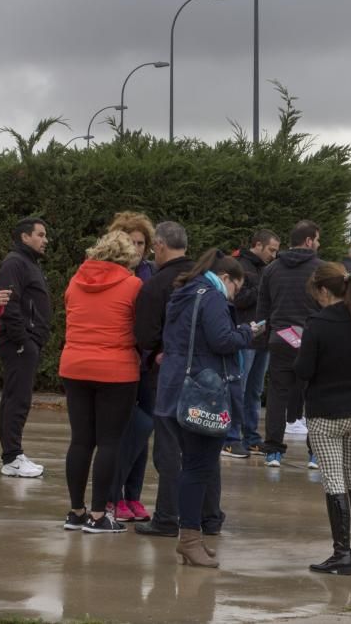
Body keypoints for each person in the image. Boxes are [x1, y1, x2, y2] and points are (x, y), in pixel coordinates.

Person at [157, 249, 253, 567]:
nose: (235, 296)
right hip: (202, 392)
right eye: (236, 288)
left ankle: (192, 537)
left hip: (175, 389)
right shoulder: (211, 297)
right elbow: (221, 340)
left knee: (193, 466)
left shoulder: (184, 292)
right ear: (226, 278)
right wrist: (247, 332)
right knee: (199, 468)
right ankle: (190, 540)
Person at [295, 263, 351, 574]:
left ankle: (341, 553)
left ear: (324, 291)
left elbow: (304, 370)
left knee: (334, 481)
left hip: (326, 412)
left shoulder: (317, 324)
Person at [133, 222, 212, 537]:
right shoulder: (206, 280)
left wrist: (154, 355)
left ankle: (167, 516)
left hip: (169, 374)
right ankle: (207, 516)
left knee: (168, 448)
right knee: (203, 445)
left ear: (160, 246)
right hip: (206, 376)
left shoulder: (156, 285)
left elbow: (145, 335)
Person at [60, 231, 143, 533]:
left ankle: (75, 511)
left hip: (74, 365)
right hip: (116, 370)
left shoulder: (75, 281)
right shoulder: (133, 285)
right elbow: (142, 327)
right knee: (109, 442)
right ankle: (98, 515)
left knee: (81, 440)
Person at [257, 220, 325, 467]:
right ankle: (315, 452)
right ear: (308, 241)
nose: (318, 245)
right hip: (312, 340)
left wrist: (267, 338)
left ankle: (273, 450)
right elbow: (328, 306)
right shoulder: (322, 269)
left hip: (280, 338)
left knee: (277, 393)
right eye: (317, 240)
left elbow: (262, 309)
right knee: (314, 395)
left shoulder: (271, 269)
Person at [107, 211, 158, 523]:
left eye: (142, 242)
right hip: (121, 361)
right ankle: (112, 496)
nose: (137, 248)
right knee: (126, 430)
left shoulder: (150, 272)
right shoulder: (110, 273)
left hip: (148, 364)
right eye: (131, 241)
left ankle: (133, 497)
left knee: (144, 430)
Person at [0, 217, 51, 478]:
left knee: (18, 396)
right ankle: (12, 457)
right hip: (18, 342)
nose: (45, 240)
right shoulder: (14, 263)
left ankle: (13, 454)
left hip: (27, 341)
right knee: (17, 398)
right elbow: (10, 303)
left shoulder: (29, 263)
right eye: (40, 235)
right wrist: (23, 340)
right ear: (24, 237)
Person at [223, 229, 279, 458]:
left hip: (263, 338)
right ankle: (230, 437)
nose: (274, 255)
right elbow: (236, 299)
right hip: (245, 337)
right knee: (238, 389)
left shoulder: (268, 268)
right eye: (271, 250)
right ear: (258, 245)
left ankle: (251, 437)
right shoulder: (239, 266)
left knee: (254, 392)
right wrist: (262, 288)